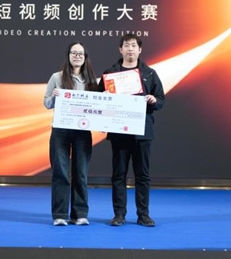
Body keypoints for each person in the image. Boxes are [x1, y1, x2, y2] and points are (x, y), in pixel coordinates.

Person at [98, 33, 165, 227]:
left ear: (139, 49)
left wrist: (153, 100)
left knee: (142, 175)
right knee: (118, 174)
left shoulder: (149, 73)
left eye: (133, 45)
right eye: (126, 45)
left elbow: (161, 99)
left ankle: (143, 215)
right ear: (120, 49)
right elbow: (98, 100)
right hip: (119, 131)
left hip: (142, 131)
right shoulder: (110, 74)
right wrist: (105, 97)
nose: (130, 49)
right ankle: (119, 215)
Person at [44, 41, 98, 226]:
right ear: (68, 56)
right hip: (61, 130)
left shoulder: (91, 81)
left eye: (80, 54)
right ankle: (60, 215)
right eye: (74, 53)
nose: (77, 56)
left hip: (82, 131)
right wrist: (54, 96)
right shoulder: (56, 77)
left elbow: (98, 106)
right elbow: (46, 103)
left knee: (81, 173)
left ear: (85, 58)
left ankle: (80, 214)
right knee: (61, 173)